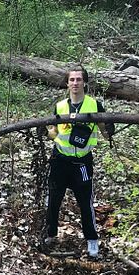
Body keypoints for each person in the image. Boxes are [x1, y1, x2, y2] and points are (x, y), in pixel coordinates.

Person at [45, 65, 114, 259]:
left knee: (85, 202)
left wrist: (109, 129)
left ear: (85, 82)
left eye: (79, 79)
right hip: (60, 160)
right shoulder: (60, 106)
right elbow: (54, 133)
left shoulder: (94, 105)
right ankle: (50, 234)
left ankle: (92, 240)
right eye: (72, 80)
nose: (75, 83)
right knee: (53, 200)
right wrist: (46, 132)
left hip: (82, 163)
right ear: (67, 83)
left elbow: (105, 130)